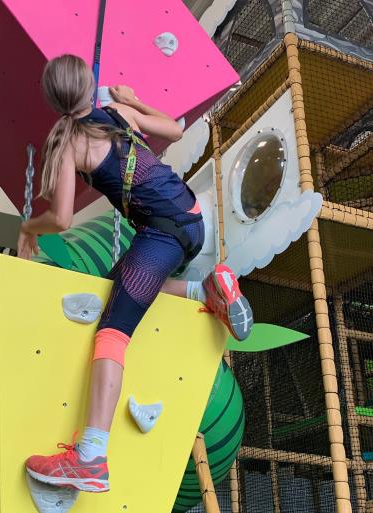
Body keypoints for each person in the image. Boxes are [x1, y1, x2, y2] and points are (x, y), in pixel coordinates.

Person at [18, 54, 253, 493]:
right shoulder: (119, 114)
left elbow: (63, 219)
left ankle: (90, 457)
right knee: (119, 286)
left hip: (161, 235)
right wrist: (136, 101)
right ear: (91, 86)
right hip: (190, 219)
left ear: (53, 99)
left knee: (112, 332)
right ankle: (206, 291)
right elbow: (175, 129)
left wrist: (29, 226)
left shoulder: (68, 144)